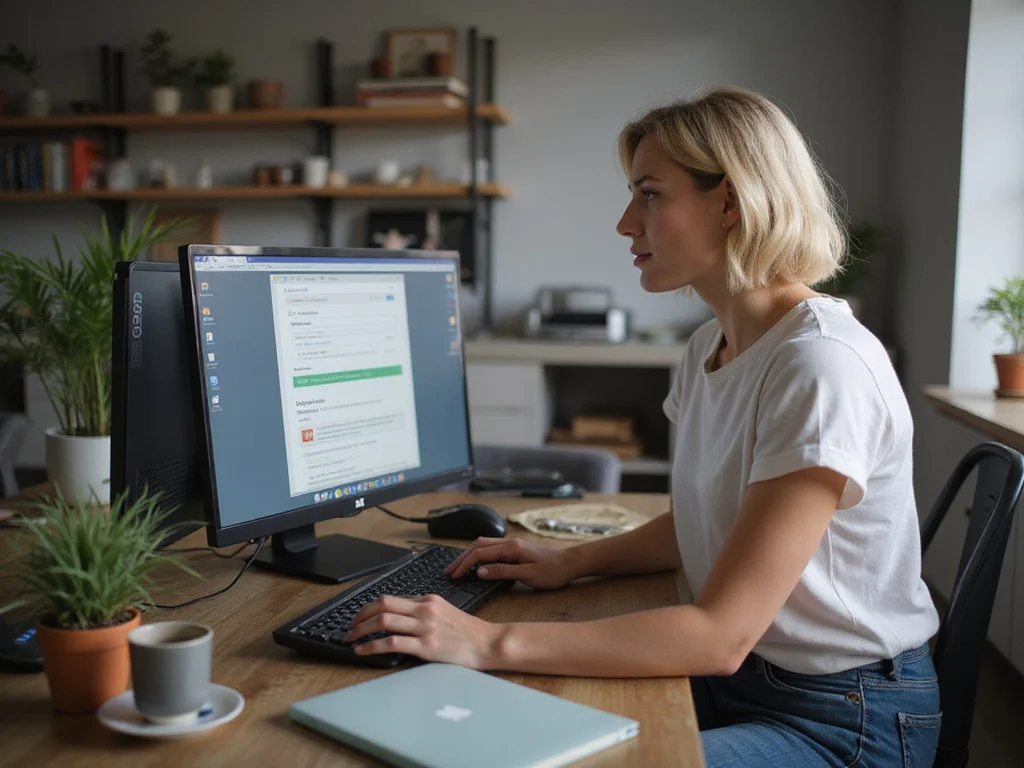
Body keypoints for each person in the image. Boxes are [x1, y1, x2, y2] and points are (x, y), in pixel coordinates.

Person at [345, 86, 941, 767]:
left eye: (650, 194)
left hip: (843, 717)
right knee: (483, 730)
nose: (626, 222)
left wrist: (486, 641)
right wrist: (572, 562)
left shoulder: (820, 366)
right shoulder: (707, 349)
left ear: (732, 202)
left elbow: (719, 635)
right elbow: (705, 521)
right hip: (742, 679)